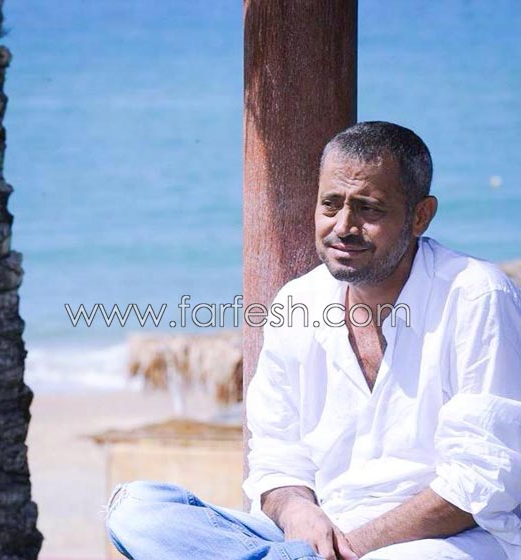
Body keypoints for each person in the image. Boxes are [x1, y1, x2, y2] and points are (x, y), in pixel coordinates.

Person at [105, 122, 521, 560]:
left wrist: (349, 549)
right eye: (330, 204)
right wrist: (298, 511)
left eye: (369, 209)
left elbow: (480, 482)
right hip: (315, 540)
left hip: (444, 542)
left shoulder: (476, 296)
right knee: (139, 511)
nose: (344, 226)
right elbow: (275, 458)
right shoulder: (298, 301)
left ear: (420, 216)